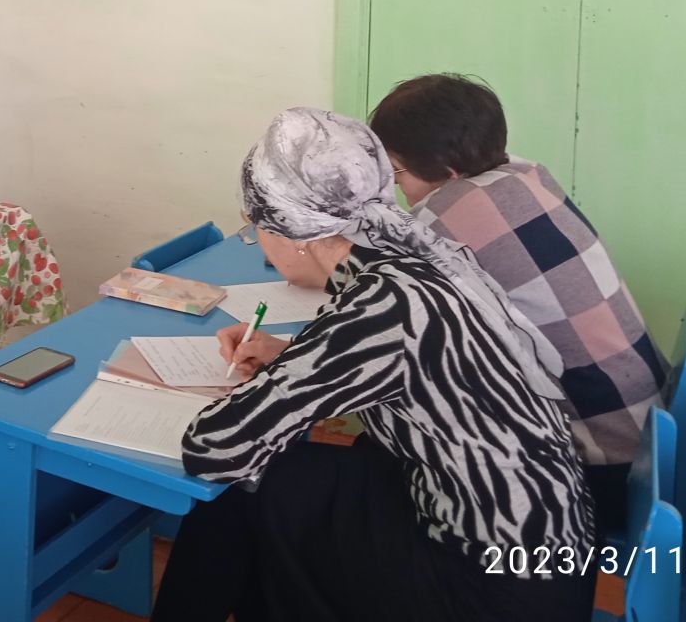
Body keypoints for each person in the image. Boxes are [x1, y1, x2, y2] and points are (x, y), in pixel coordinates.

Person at [152, 109, 595, 622]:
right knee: (284, 485)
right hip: (544, 548)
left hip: (494, 589)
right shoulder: (414, 262)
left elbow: (214, 449)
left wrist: (271, 383)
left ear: (294, 233)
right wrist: (287, 358)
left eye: (256, 231)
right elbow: (388, 362)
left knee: (240, 489)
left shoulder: (381, 308)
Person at [369, 73, 669, 537]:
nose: (396, 188)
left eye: (397, 172)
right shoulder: (526, 174)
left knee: (397, 451)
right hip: (650, 436)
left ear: (447, 170)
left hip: (598, 467)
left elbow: (383, 321)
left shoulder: (440, 220)